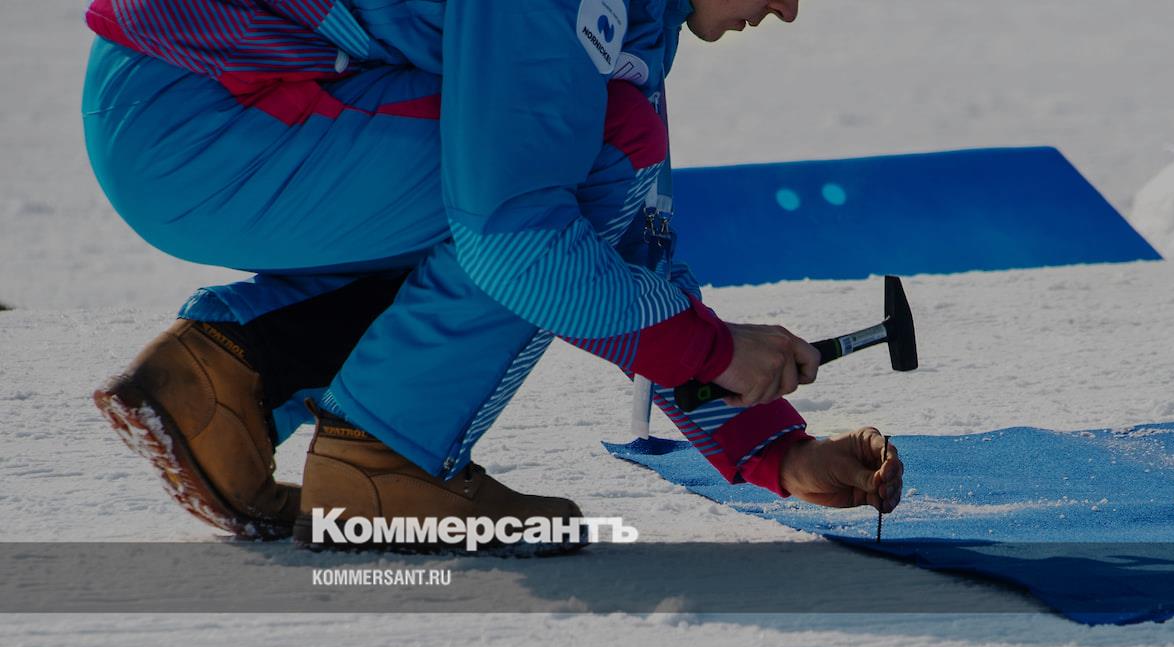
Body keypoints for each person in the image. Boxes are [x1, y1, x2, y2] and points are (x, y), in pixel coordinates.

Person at [83, 0, 904, 551]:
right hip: (205, 110)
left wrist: (777, 450)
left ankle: (234, 372)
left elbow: (621, 253)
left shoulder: (629, 15)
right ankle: (386, 461)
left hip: (198, 101)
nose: (790, 7)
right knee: (548, 186)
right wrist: (712, 350)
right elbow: (527, 237)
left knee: (549, 169)